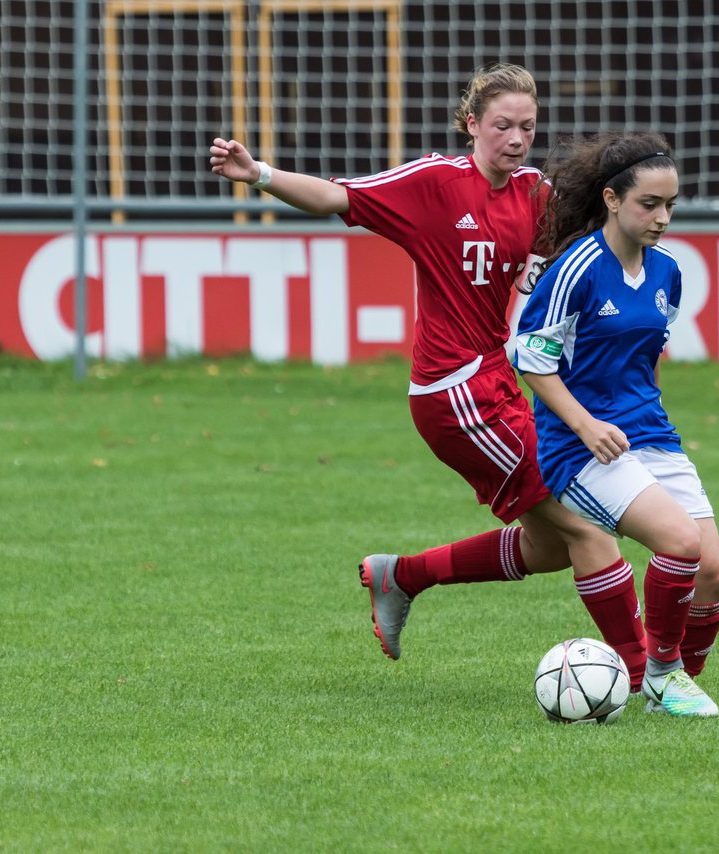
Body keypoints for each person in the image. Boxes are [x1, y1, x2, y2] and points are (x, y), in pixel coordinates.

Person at [209, 64, 647, 688]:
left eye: (527, 126)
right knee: (587, 527)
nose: (517, 138)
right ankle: (645, 676)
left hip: (499, 382)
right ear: (472, 123)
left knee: (554, 546)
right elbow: (342, 196)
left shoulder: (536, 197)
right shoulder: (435, 182)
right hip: (455, 390)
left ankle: (403, 576)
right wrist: (261, 176)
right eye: (502, 125)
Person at [512, 131, 719, 717]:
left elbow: (642, 360)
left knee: (711, 575)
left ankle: (673, 685)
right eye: (649, 204)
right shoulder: (576, 267)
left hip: (650, 436)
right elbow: (529, 358)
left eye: (671, 205)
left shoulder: (667, 273)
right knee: (680, 544)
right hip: (579, 446)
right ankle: (660, 675)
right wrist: (585, 425)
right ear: (611, 199)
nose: (662, 218)